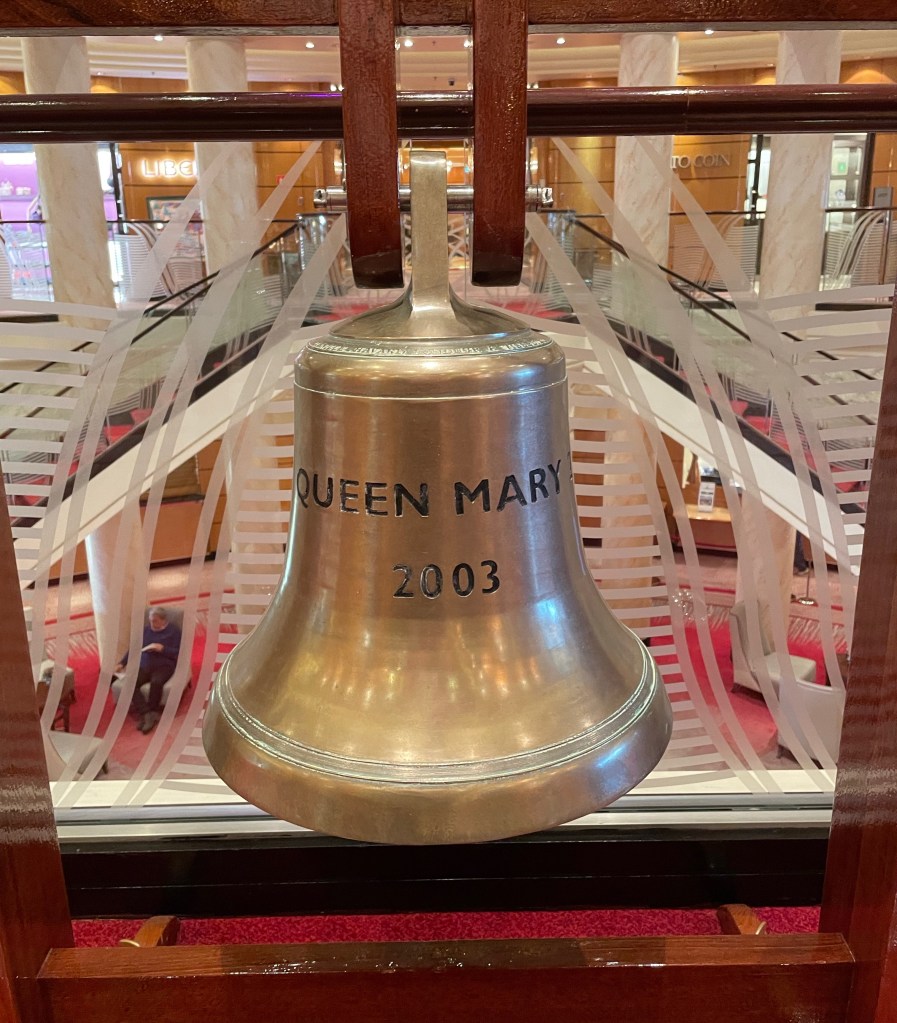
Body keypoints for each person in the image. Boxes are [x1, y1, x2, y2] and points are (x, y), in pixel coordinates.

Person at [114, 607, 182, 734]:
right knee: (130, 684)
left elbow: (178, 651)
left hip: (165, 665)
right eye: (150, 620)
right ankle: (147, 714)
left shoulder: (174, 631)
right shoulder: (146, 631)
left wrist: (162, 649)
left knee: (156, 682)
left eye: (155, 621)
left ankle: (152, 712)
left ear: (163, 620)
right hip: (146, 665)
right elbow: (134, 648)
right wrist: (122, 663)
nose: (152, 624)